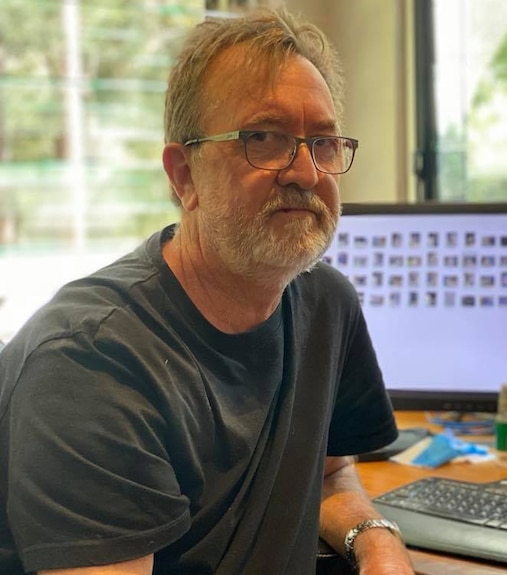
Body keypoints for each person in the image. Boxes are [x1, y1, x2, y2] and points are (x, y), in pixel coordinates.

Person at [0, 7, 414, 575]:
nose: (305, 171)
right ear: (184, 175)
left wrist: (378, 545)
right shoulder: (91, 362)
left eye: (322, 142)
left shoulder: (326, 304)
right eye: (262, 139)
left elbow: (328, 473)